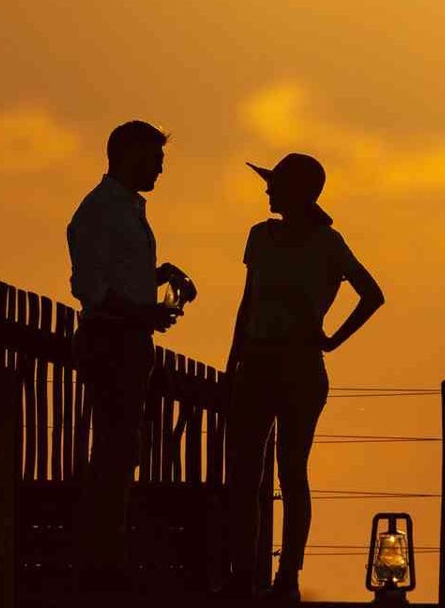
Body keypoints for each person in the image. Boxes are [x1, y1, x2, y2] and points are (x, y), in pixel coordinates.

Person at [218, 152, 385, 600]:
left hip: (300, 369)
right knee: (242, 474)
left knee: (291, 472)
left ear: (296, 192)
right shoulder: (260, 236)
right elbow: (247, 303)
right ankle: (241, 575)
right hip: (256, 364)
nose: (267, 191)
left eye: (274, 184)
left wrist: (331, 340)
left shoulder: (328, 243)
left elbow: (373, 294)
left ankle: (286, 578)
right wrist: (232, 361)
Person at [66, 119, 197, 592]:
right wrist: (144, 315)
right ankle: (100, 566)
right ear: (128, 156)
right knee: (113, 454)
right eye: (155, 160)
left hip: (128, 341)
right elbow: (91, 289)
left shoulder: (125, 209)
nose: (161, 169)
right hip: (111, 342)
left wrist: (162, 273)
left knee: (121, 453)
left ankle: (106, 559)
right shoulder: (101, 210)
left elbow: (116, 274)